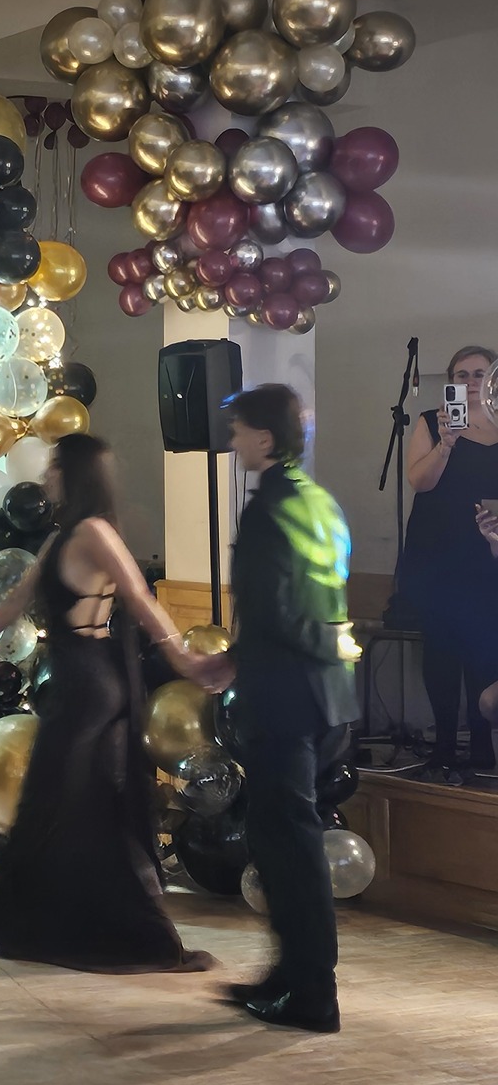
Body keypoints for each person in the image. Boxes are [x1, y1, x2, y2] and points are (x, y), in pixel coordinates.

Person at [0, 433, 222, 973]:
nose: (47, 478)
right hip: (77, 681)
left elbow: (140, 597)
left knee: (76, 805)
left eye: (55, 468)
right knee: (59, 804)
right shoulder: (64, 536)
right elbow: (15, 602)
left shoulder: (94, 533)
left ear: (76, 474)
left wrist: (183, 658)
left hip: (91, 683)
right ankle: (13, 910)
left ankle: (140, 936)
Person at [222, 384, 357, 1034]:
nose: (232, 442)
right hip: (327, 692)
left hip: (281, 694)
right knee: (287, 836)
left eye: (238, 431)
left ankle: (312, 992)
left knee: (286, 842)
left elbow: (271, 612)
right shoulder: (319, 501)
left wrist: (231, 660)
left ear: (265, 438)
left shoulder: (268, 510)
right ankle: (291, 976)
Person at [396, 345, 498, 781]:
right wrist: (447, 443)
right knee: (440, 649)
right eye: (462, 374)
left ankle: (481, 744)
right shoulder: (431, 422)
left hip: (487, 552)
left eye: (479, 373)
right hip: (437, 553)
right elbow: (419, 482)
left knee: (484, 648)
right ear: (451, 380)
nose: (471, 381)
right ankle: (443, 744)